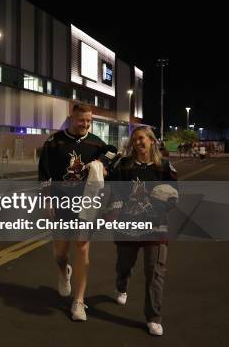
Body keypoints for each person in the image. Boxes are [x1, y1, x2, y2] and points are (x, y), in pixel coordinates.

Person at [38, 103, 109, 321]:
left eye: (89, 121)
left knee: (82, 248)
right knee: (60, 253)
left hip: (86, 204)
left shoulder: (97, 143)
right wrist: (46, 198)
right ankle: (63, 272)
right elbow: (44, 172)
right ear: (71, 119)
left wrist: (102, 165)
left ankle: (78, 301)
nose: (85, 124)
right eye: (82, 120)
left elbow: (112, 158)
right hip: (61, 203)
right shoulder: (54, 142)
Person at [107, 126, 178, 336]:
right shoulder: (124, 166)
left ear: (152, 141)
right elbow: (114, 192)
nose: (138, 142)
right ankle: (121, 286)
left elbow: (174, 194)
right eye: (135, 139)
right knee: (124, 265)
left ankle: (153, 317)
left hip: (155, 228)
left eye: (141, 138)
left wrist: (163, 203)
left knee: (154, 272)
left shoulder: (164, 166)